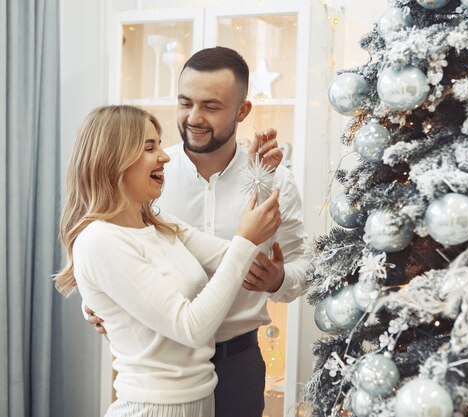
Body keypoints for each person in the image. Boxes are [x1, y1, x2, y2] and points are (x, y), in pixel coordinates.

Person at [87, 47, 309, 417]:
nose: (194, 117)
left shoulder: (274, 182)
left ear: (242, 112)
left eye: (211, 106)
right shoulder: (148, 176)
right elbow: (112, 248)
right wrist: (95, 303)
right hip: (162, 370)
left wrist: (278, 278)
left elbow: (304, 268)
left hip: (238, 362)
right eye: (185, 102)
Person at [56, 105, 282, 417]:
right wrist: (245, 241)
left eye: (160, 144)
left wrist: (258, 178)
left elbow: (247, 262)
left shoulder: (159, 223)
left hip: (202, 401)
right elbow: (191, 328)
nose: (165, 156)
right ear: (113, 159)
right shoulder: (99, 240)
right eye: (150, 147)